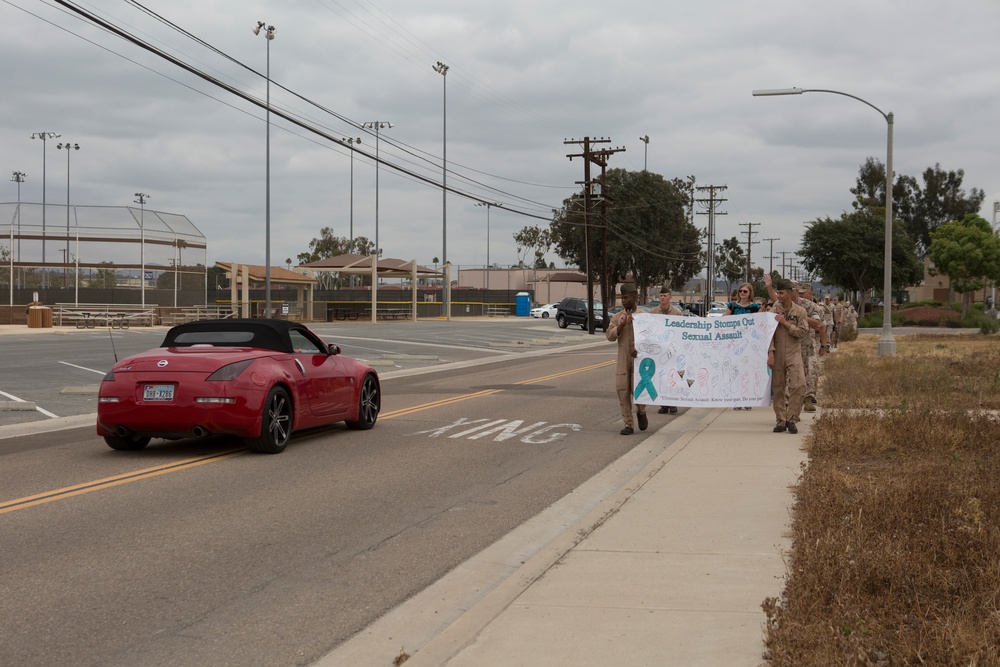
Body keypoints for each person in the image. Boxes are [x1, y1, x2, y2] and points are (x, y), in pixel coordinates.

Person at [767, 278, 809, 433]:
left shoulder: (800, 311)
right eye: (777, 292)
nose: (779, 296)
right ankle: (781, 420)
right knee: (778, 388)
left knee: (799, 385)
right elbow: (768, 334)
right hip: (777, 353)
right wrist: (770, 352)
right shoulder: (773, 311)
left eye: (782, 293)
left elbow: (802, 332)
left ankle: (792, 419)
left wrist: (785, 323)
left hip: (793, 352)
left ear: (790, 293)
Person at [606, 283, 647, 435]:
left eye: (626, 297)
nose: (623, 301)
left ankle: (641, 411)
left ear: (634, 297)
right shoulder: (618, 317)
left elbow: (651, 339)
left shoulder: (643, 316)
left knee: (639, 389)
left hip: (639, 359)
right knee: (622, 389)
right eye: (622, 298)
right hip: (623, 358)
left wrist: (640, 349)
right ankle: (628, 424)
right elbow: (609, 335)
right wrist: (621, 325)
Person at [648, 286, 682, 415]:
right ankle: (663, 404)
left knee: (672, 377)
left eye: (665, 295)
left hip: (672, 350)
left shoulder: (677, 313)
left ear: (670, 297)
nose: (662, 298)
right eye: (661, 296)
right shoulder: (653, 312)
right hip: (659, 350)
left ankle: (673, 403)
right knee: (660, 377)